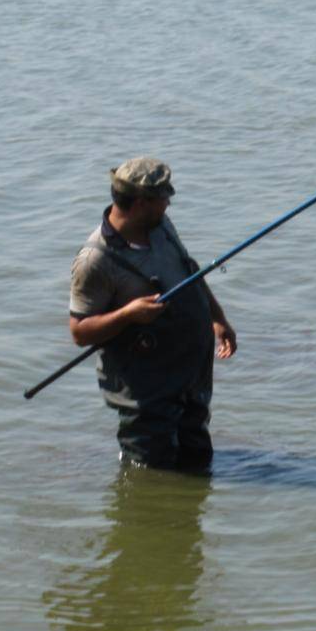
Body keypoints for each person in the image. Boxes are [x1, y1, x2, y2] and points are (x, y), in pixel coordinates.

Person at [69, 157, 236, 470]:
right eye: (163, 199)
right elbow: (79, 332)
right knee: (149, 469)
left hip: (189, 375)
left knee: (198, 459)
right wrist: (129, 314)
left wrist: (217, 318)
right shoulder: (95, 261)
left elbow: (190, 272)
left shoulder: (160, 227)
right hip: (145, 389)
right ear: (141, 204)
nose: (168, 205)